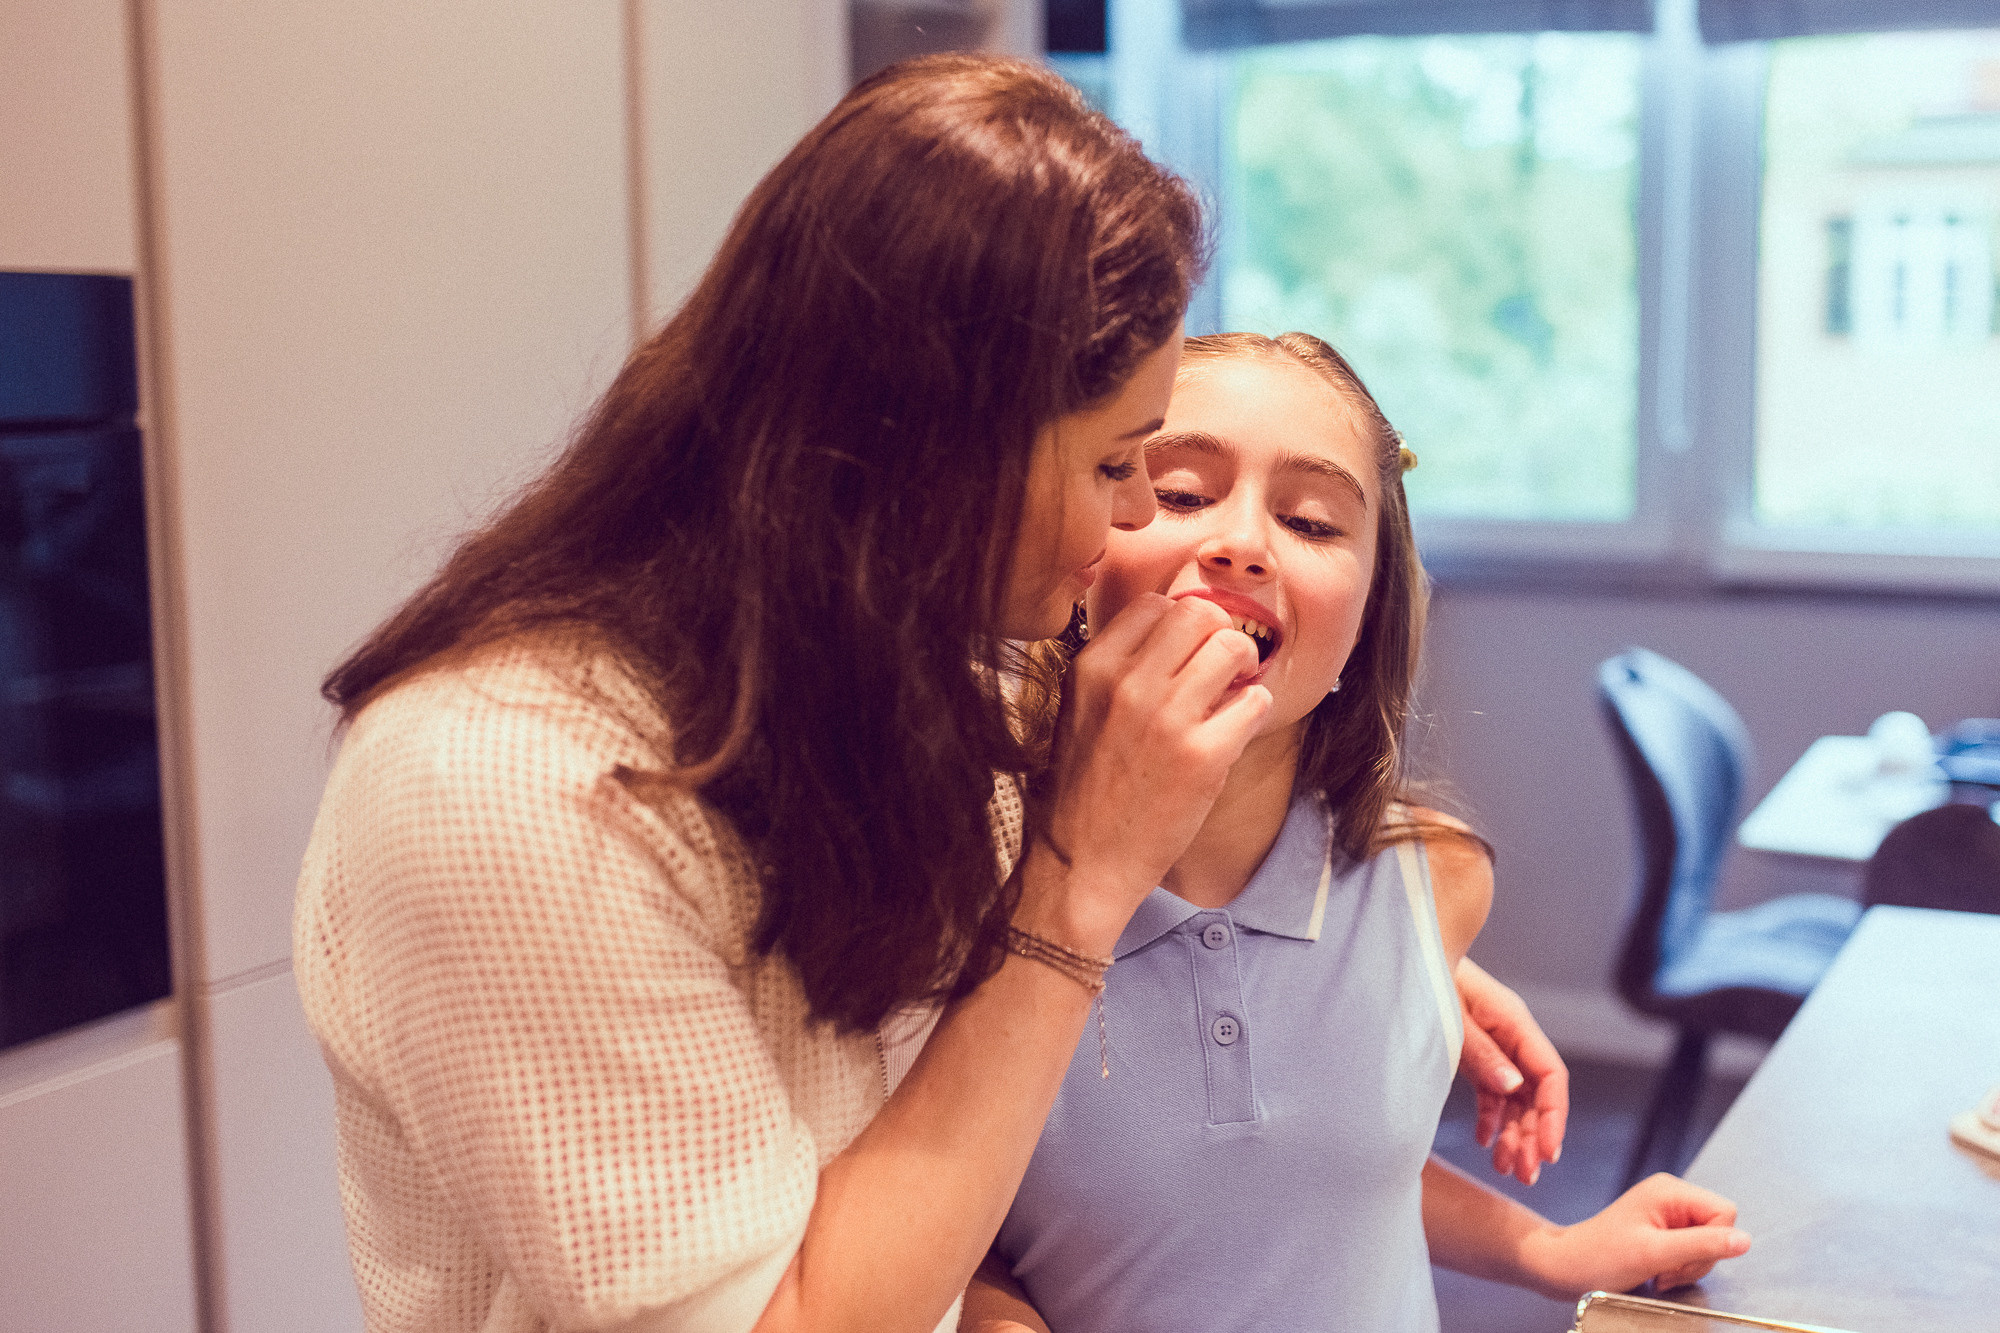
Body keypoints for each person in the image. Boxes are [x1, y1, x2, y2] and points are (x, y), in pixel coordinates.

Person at [294, 57, 1563, 1333]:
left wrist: (1388, 982)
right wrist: (1076, 886)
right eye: (1122, 466)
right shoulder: (507, 788)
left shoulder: (910, 673)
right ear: (936, 457)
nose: (1136, 516)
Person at [966, 333, 1753, 1333]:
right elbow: (949, 1214)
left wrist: (1549, 1249)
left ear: (1368, 614)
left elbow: (1330, 1178)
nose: (1242, 543)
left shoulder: (1434, 880)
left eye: (1308, 520)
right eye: (1178, 493)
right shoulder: (971, 881)